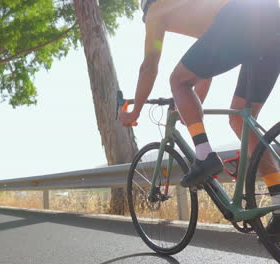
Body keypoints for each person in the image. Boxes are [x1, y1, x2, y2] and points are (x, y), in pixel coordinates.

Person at [119, 0, 279, 232]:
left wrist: (135, 111)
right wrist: (194, 106)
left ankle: (204, 155)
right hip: (270, 21)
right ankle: (279, 206)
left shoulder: (154, 10)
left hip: (240, 19)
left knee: (177, 80)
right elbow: (206, 68)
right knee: (241, 119)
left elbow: (149, 67)